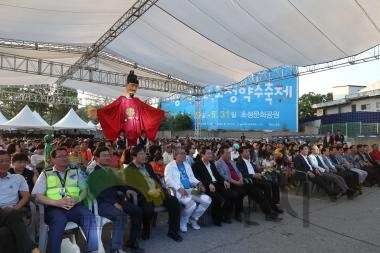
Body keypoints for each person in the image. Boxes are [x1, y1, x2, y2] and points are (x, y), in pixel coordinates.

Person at [32, 147, 98, 253]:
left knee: (88, 215)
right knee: (59, 220)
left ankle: (93, 250)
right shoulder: (46, 173)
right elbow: (38, 196)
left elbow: (84, 189)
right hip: (54, 209)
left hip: (74, 206)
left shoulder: (75, 171)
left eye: (66, 155)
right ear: (52, 160)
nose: (65, 158)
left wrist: (78, 198)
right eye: (60, 156)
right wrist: (57, 203)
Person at [88, 146, 144, 253]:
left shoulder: (109, 170)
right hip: (102, 204)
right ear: (96, 158)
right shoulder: (94, 173)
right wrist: (114, 203)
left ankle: (132, 242)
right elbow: (101, 192)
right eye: (104, 156)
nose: (107, 158)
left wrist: (126, 190)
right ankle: (115, 248)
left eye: (108, 155)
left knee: (137, 210)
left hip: (116, 200)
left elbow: (118, 182)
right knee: (120, 216)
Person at [124, 146, 183, 242]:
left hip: (157, 192)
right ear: (134, 157)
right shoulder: (128, 170)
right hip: (144, 195)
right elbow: (132, 187)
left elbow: (156, 179)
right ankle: (146, 229)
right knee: (148, 210)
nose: (144, 156)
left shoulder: (147, 166)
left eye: (144, 153)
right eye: (141, 154)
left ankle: (173, 231)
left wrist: (163, 189)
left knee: (174, 202)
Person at [97, 70, 166, 146]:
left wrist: (160, 113)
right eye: (132, 85)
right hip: (124, 133)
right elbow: (110, 109)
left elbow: (149, 110)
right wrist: (99, 111)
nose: (134, 88)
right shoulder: (122, 100)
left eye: (136, 86)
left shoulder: (137, 101)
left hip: (136, 135)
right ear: (126, 84)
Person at [0, 149, 40, 253]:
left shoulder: (18, 178)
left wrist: (14, 209)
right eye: (1, 161)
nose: (5, 163)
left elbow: (26, 196)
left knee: (4, 233)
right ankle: (30, 248)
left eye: (7, 160)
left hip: (15, 211)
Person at [165, 148, 211, 232]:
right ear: (175, 156)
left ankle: (193, 219)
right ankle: (183, 222)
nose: (184, 155)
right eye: (181, 154)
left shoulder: (187, 165)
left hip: (190, 190)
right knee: (191, 204)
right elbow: (168, 181)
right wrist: (179, 188)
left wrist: (199, 183)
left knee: (207, 199)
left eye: (184, 154)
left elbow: (192, 178)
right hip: (178, 191)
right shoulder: (170, 166)